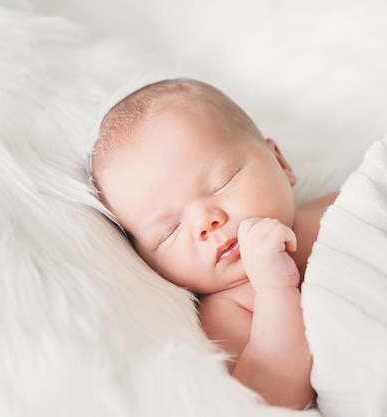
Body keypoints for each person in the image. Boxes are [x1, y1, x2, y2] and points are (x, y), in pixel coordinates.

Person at [90, 78, 338, 409]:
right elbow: (275, 395)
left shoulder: (343, 204)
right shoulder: (228, 308)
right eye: (170, 230)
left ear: (280, 162)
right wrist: (274, 288)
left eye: (222, 183)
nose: (204, 223)